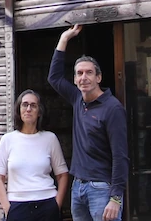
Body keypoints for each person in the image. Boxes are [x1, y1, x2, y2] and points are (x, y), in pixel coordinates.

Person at [48, 24, 128, 221]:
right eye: (79, 73)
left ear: (98, 77)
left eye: (89, 73)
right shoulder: (78, 99)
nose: (83, 77)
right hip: (78, 187)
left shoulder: (112, 108)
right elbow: (54, 78)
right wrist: (64, 39)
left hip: (102, 189)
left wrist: (116, 198)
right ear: (75, 79)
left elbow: (121, 156)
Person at [0, 89, 69, 221]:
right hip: (17, 207)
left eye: (33, 105)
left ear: (39, 112)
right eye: (25, 104)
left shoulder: (50, 138)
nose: (28, 109)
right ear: (19, 109)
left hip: (47, 205)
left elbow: (62, 175)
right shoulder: (7, 140)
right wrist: (7, 208)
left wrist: (57, 204)